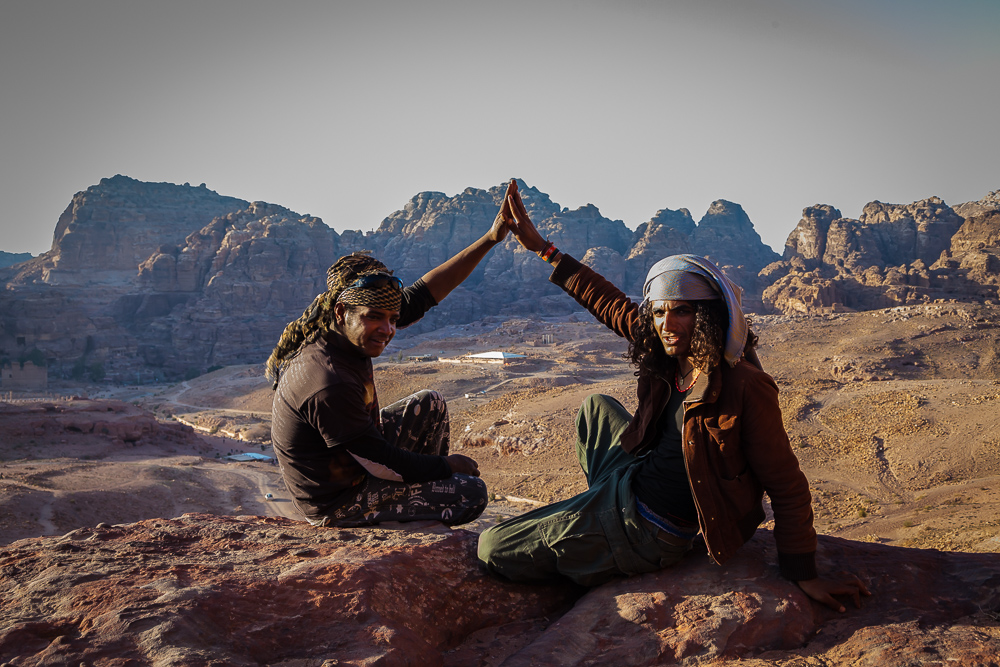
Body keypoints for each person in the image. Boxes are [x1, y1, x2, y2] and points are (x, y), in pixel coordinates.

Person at [478, 180, 869, 613]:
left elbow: (788, 487)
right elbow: (607, 302)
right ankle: (597, 507)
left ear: (707, 316)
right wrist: (543, 249)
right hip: (634, 478)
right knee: (597, 409)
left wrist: (803, 573)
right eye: (660, 311)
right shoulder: (669, 351)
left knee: (493, 547)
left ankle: (603, 529)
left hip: (652, 525)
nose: (667, 323)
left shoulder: (744, 386)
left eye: (682, 310)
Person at [266, 182, 516, 528]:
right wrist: (447, 467)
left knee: (430, 405)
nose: (387, 329)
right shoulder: (327, 381)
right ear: (342, 312)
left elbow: (426, 292)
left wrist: (490, 238)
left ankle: (418, 501)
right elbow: (382, 461)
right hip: (338, 502)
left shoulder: (342, 332)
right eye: (375, 317)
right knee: (470, 493)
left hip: (356, 464)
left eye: (393, 319)